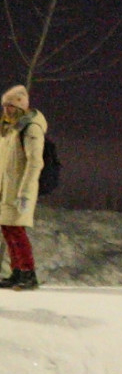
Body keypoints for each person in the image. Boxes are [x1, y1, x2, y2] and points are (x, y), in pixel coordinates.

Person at [0, 85, 46, 290]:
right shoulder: (9, 128)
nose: (6, 111)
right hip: (6, 188)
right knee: (8, 228)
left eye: (9, 107)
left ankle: (28, 273)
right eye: (4, 107)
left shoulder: (30, 128)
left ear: (19, 106)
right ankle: (16, 271)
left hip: (19, 189)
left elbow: (34, 162)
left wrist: (25, 193)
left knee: (16, 230)